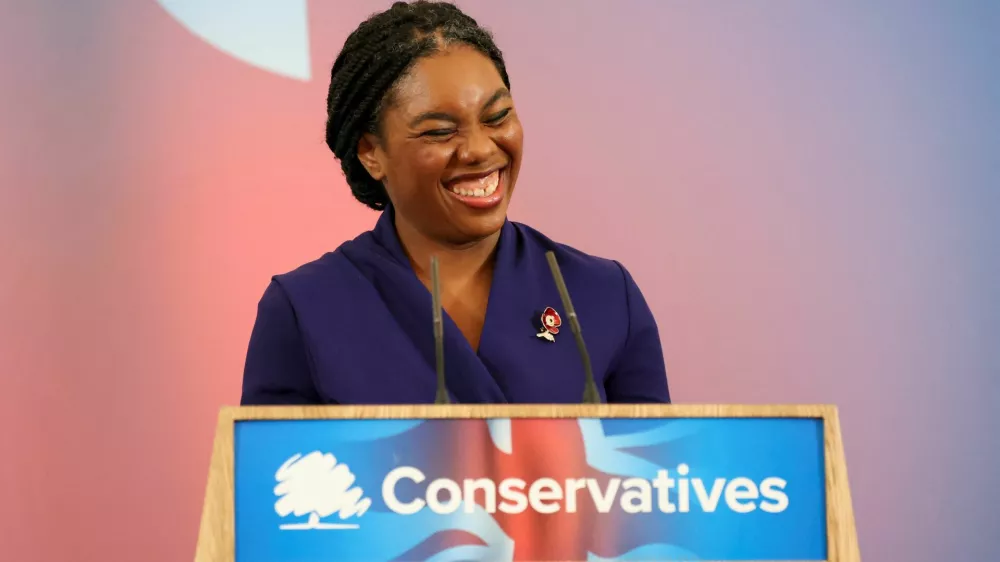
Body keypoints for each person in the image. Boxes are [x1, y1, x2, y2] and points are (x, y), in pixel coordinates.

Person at [240, 0, 671, 405]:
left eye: (497, 117)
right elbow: (274, 463)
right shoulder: (306, 308)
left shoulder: (603, 294)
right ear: (371, 152)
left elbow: (654, 458)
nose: (480, 149)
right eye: (440, 131)